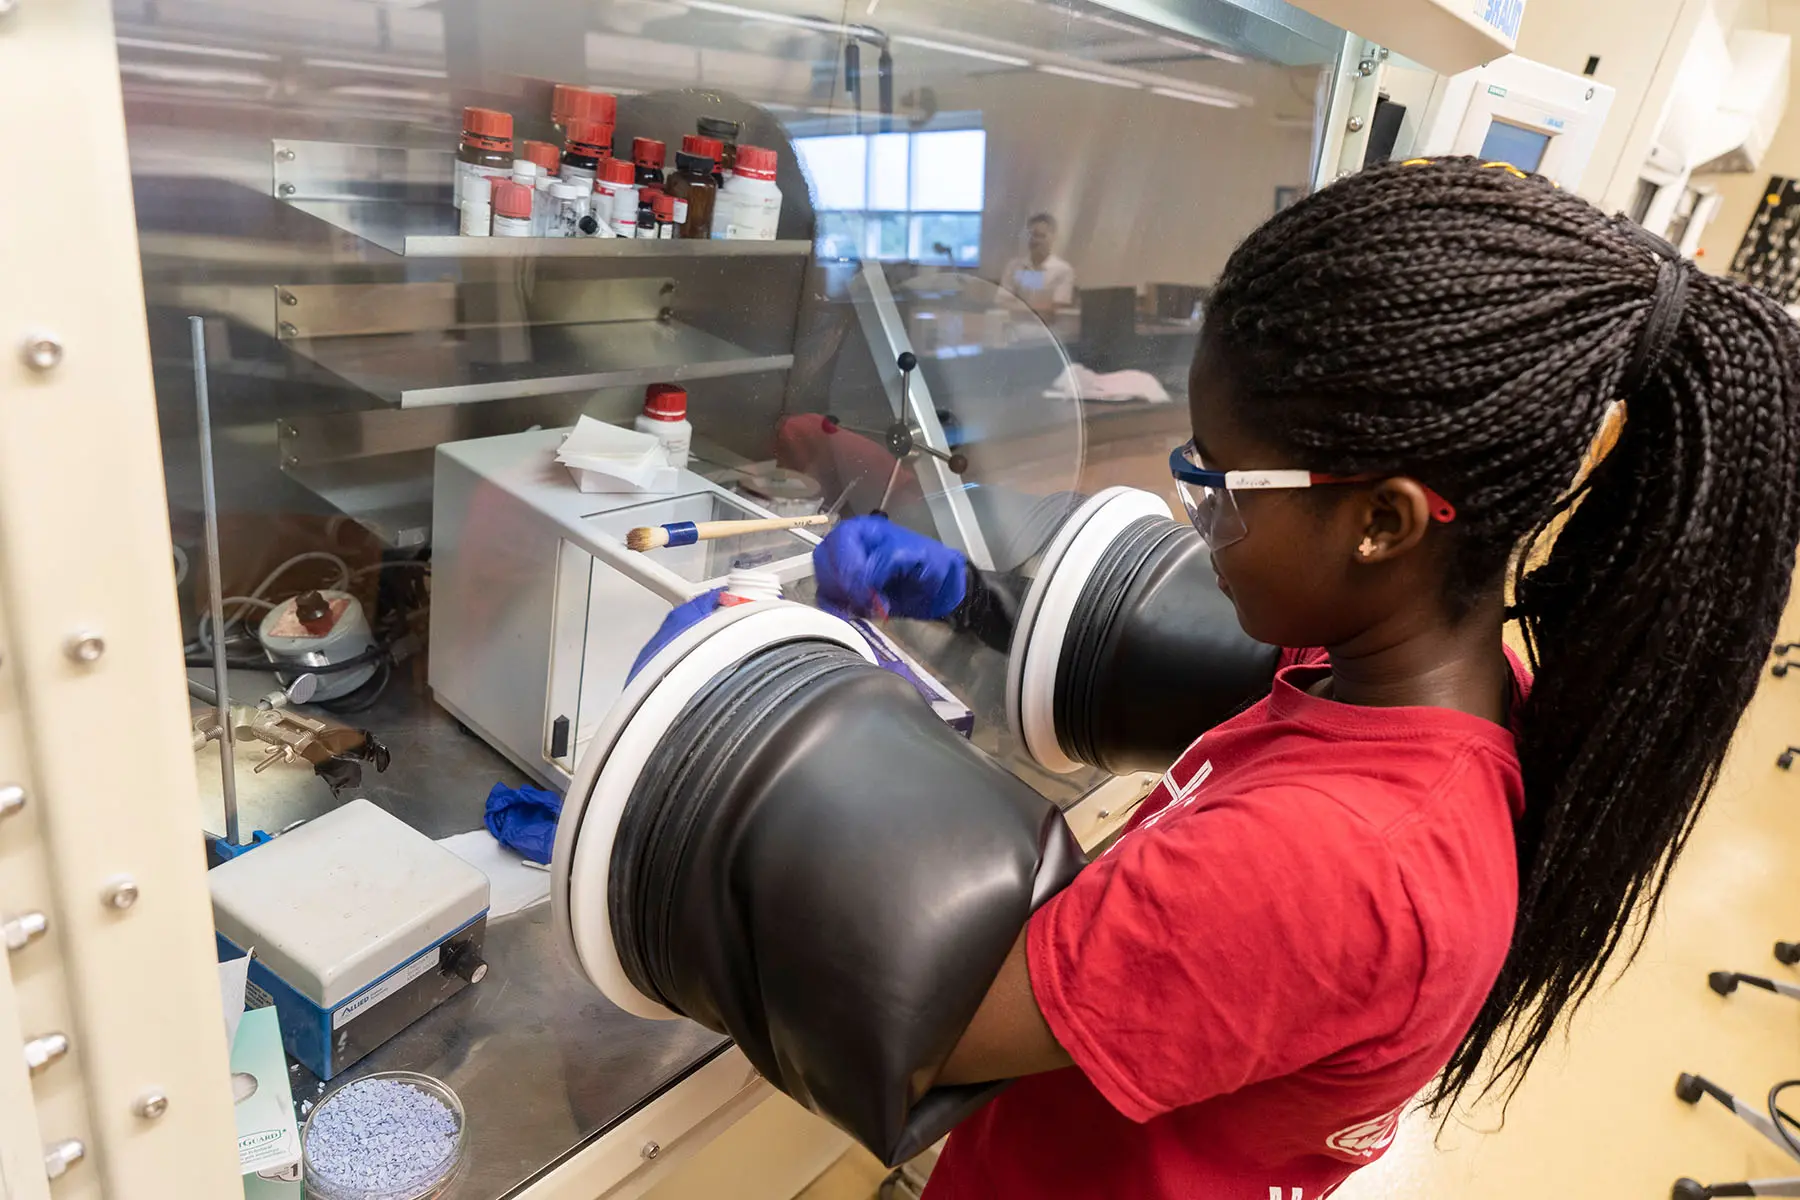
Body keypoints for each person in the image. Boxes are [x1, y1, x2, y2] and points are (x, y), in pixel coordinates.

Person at [634, 157, 1800, 1196]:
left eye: (1226, 481)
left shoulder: (1326, 871)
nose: (1201, 511)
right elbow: (1196, 668)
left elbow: (911, 1033)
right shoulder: (1426, 680)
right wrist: (973, 598)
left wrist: (740, 720)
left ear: (1385, 524)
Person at [999, 212, 1076, 315]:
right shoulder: (1014, 266)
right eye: (1032, 235)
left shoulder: (1063, 270)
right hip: (1014, 327)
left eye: (1041, 236)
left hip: (1047, 328)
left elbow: (1056, 309)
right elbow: (1003, 302)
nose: (1035, 240)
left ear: (1053, 237)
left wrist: (1019, 309)